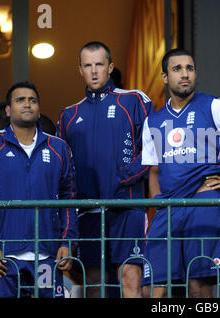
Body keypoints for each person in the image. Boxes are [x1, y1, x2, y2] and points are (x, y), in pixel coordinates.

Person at [141, 48, 220, 298]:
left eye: (189, 68)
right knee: (154, 287)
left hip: (204, 204)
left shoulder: (214, 105)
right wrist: (158, 204)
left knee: (198, 286)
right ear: (165, 77)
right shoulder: (153, 121)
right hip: (168, 209)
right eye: (177, 69)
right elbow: (154, 171)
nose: (185, 74)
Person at [57, 41, 153, 298]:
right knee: (94, 283)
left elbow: (154, 147)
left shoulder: (133, 100)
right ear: (80, 70)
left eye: (99, 64)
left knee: (130, 278)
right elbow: (63, 169)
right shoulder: (69, 114)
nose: (94, 71)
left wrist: (123, 175)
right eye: (88, 66)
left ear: (110, 67)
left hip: (128, 207)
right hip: (87, 212)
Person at [0, 81, 78, 298]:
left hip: (47, 256)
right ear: (8, 110)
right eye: (20, 100)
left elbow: (69, 199)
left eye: (32, 100)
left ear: (39, 109)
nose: (27, 105)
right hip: (4, 256)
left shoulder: (59, 148)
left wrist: (67, 242)